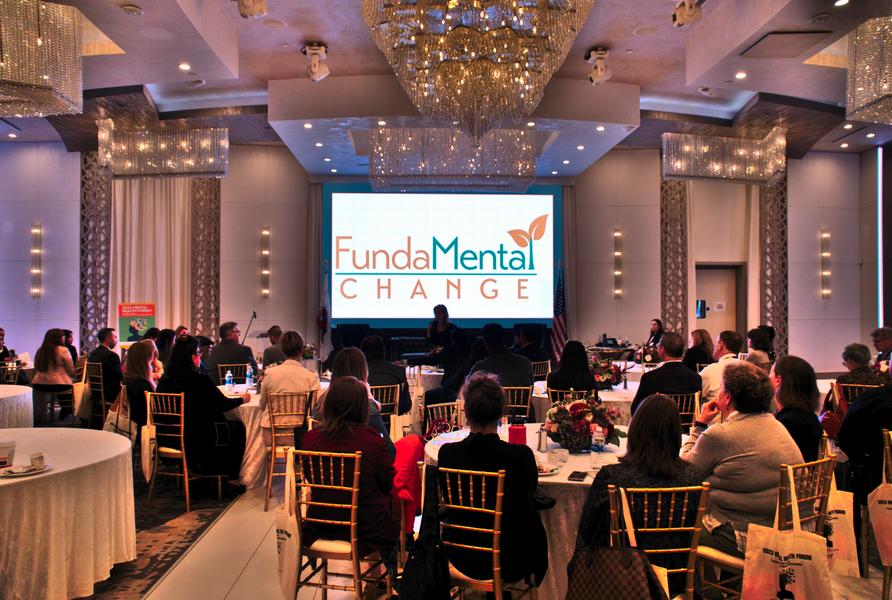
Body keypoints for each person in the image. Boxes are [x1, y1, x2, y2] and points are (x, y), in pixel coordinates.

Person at [575, 394, 702, 599]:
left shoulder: (613, 476)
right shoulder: (692, 475)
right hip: (676, 577)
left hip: (621, 577)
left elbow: (586, 532)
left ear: (636, 430)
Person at [681, 362, 807, 559]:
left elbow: (684, 471)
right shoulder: (777, 425)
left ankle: (702, 590)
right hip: (782, 531)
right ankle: (728, 587)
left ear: (728, 397)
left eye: (721, 388)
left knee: (673, 529)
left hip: (746, 535)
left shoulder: (720, 435)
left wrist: (699, 425)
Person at [438, 372, 548, 586]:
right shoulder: (521, 456)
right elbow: (529, 494)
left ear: (466, 411)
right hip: (511, 559)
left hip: (459, 553)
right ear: (501, 411)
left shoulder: (448, 454)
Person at [302, 376, 401, 577]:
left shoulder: (310, 439)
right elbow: (386, 483)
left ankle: (379, 573)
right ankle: (385, 572)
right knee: (393, 496)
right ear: (362, 407)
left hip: (322, 521)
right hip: (366, 526)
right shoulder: (372, 441)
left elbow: (311, 479)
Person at [156, 336, 249, 488]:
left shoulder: (164, 380)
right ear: (194, 357)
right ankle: (232, 478)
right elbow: (223, 404)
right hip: (198, 439)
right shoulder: (199, 380)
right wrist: (241, 399)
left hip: (169, 437)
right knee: (238, 428)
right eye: (199, 353)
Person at [838, 382, 892, 574]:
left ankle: (854, 556)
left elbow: (844, 438)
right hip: (876, 480)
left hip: (874, 483)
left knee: (844, 471)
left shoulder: (870, 398)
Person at [316, 348, 396, 460]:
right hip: (361, 472)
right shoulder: (367, 406)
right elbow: (390, 451)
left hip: (324, 469)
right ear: (364, 371)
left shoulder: (321, 402)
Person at [259, 330, 322, 447]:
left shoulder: (269, 374)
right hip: (302, 435)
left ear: (282, 351)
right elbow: (317, 407)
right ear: (302, 350)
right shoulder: (312, 376)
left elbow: (262, 406)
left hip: (272, 435)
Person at [630, 332, 702, 416]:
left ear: (662, 350)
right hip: (685, 428)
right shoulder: (696, 379)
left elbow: (636, 409)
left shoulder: (650, 378)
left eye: (658, 346)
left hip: (658, 427)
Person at [771, 356, 823, 463]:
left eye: (771, 373)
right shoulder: (809, 416)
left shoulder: (788, 423)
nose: (768, 377)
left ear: (778, 380)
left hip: (790, 478)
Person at [408, 328, 471, 405]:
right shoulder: (470, 350)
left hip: (453, 391)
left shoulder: (451, 350)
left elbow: (429, 360)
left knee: (428, 395)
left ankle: (435, 417)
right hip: (468, 391)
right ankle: (449, 416)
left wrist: (406, 361)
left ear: (453, 340)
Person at [469, 322, 534, 388]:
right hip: (520, 398)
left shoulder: (479, 369)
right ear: (504, 340)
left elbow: (468, 392)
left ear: (486, 343)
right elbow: (531, 388)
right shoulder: (526, 363)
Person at [362, 335, 411, 415]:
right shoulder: (399, 370)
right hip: (391, 421)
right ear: (383, 350)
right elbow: (407, 405)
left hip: (365, 421)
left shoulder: (357, 373)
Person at [87, 327, 124, 424]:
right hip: (109, 393)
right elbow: (120, 377)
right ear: (108, 339)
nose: (116, 340)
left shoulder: (93, 353)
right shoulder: (111, 355)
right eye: (115, 337)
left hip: (96, 392)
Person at [204, 321, 258, 385]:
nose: (240, 335)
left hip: (216, 387)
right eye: (238, 332)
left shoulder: (211, 351)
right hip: (240, 388)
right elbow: (254, 371)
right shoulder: (245, 350)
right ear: (231, 334)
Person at [699, 330, 744, 407]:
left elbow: (697, 395)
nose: (714, 346)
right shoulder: (751, 368)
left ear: (721, 345)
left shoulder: (710, 371)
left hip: (715, 417)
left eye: (716, 342)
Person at [122, 340, 156, 427]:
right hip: (144, 428)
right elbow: (150, 412)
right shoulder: (142, 384)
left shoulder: (127, 379)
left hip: (131, 425)